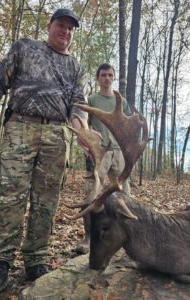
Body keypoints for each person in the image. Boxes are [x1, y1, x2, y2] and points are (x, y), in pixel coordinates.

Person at [0, 8, 90, 300]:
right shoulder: (25, 48)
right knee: (9, 195)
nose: (65, 31)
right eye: (61, 25)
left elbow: (78, 107)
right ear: (49, 26)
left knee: (46, 200)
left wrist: (83, 133)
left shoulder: (76, 67)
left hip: (57, 135)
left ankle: (35, 260)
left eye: (70, 28)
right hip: (20, 128)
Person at [75, 63, 131, 254]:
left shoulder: (120, 101)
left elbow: (128, 124)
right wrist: (87, 143)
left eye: (110, 75)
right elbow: (84, 125)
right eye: (103, 75)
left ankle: (126, 237)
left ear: (113, 77)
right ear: (98, 78)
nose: (107, 78)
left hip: (119, 153)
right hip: (99, 153)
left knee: (125, 195)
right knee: (92, 194)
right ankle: (89, 238)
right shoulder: (91, 99)